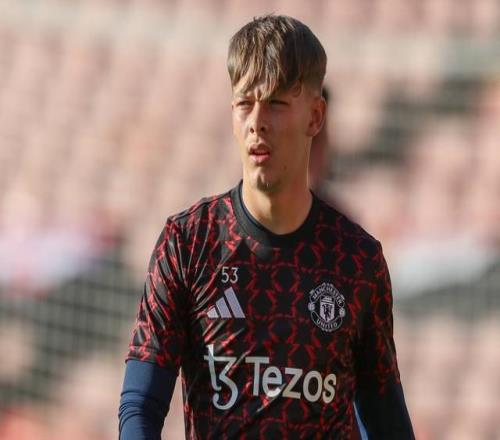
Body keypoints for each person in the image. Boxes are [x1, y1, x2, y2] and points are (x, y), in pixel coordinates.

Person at [118, 14, 415, 439]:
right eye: (245, 103)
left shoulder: (356, 259)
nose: (257, 121)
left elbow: (387, 421)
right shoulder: (189, 242)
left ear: (315, 117)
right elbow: (140, 406)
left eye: (276, 103)